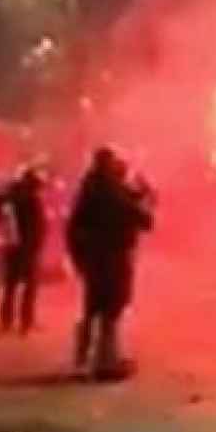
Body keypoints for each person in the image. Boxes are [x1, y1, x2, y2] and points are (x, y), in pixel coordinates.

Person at [66, 148, 154, 381]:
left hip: (94, 259)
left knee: (92, 308)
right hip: (113, 258)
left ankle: (84, 360)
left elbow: (74, 226)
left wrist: (79, 258)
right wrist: (147, 200)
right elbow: (142, 218)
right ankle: (106, 362)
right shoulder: (110, 191)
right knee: (111, 310)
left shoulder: (90, 189)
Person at [0, 165, 47, 336]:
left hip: (12, 246)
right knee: (29, 287)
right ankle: (26, 323)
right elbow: (38, 226)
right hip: (28, 248)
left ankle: (5, 321)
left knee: (10, 286)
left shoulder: (10, 195)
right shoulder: (31, 199)